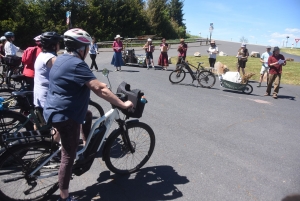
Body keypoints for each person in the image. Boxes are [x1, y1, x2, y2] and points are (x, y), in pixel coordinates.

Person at [43, 28, 133, 201]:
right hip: (66, 115)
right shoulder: (77, 64)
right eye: (86, 47)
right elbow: (99, 88)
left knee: (88, 114)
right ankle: (64, 195)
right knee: (68, 156)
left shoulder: (61, 59)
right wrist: (122, 103)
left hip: (54, 108)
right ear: (81, 48)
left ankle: (84, 145)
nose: (86, 51)